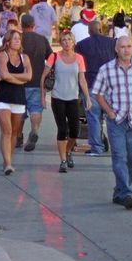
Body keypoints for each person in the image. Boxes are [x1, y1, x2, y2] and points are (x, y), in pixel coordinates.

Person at [92, 36, 132, 209]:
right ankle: (127, 192)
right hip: (117, 121)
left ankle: (119, 191)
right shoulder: (106, 69)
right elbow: (98, 93)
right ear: (116, 49)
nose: (126, 50)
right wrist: (110, 113)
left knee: (130, 161)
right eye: (123, 47)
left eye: (129, 46)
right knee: (119, 157)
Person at [40, 31, 90, 173]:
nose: (67, 42)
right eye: (64, 40)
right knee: (62, 129)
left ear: (73, 42)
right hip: (58, 97)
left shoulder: (79, 58)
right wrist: (42, 97)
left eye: (69, 39)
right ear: (60, 43)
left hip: (73, 98)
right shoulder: (54, 56)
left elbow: (82, 80)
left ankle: (68, 151)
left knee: (75, 130)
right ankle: (62, 160)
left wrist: (88, 97)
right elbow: (43, 76)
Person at [0, 29, 32, 175]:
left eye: (19, 39)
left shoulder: (25, 57)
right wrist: (17, 79)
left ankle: (7, 159)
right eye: (14, 38)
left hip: (18, 97)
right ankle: (8, 164)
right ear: (7, 41)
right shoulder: (1, 55)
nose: (17, 41)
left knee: (15, 132)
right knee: (7, 130)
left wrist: (10, 77)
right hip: (3, 97)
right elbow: (3, 74)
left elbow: (29, 76)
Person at [76, 19, 115, 157]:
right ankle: (116, 146)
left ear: (89, 31)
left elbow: (77, 66)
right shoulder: (112, 43)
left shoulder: (81, 45)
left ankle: (96, 147)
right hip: (110, 85)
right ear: (101, 29)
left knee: (93, 118)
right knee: (112, 117)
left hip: (91, 84)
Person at [18, 14, 53, 151]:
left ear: (21, 25)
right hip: (38, 81)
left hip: (20, 81)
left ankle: (18, 136)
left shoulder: (17, 39)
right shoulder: (42, 39)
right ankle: (35, 130)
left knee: (19, 112)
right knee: (36, 109)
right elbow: (51, 57)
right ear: (33, 25)